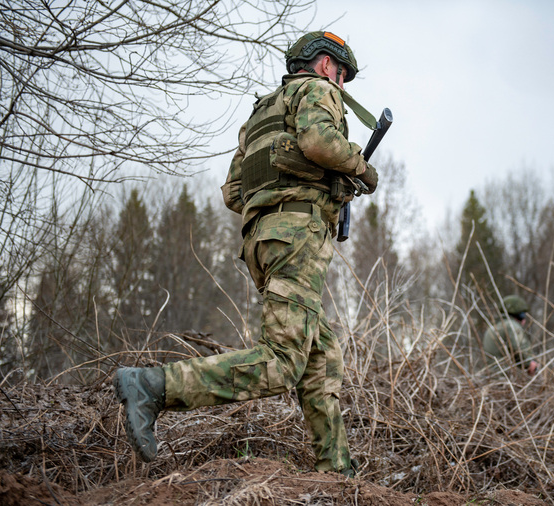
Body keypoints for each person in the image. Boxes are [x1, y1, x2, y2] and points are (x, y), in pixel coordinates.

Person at [113, 31, 379, 477]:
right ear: (325, 65)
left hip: (262, 241)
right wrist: (360, 168)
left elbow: (234, 193)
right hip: (297, 237)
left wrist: (286, 191)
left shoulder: (262, 112)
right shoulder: (317, 91)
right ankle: (153, 386)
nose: (343, 85)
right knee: (282, 363)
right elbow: (319, 142)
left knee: (322, 355)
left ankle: (335, 473)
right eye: (342, 74)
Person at [483, 295, 539, 375]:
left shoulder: (493, 327)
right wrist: (530, 363)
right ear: (518, 315)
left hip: (492, 376)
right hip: (506, 376)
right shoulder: (511, 326)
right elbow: (519, 349)